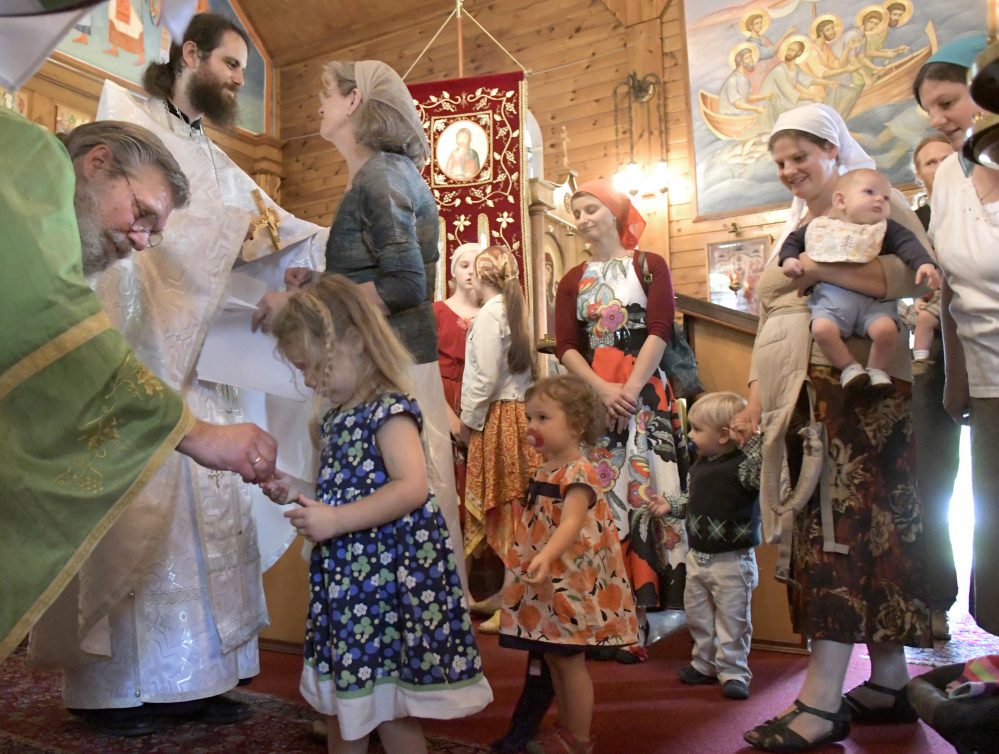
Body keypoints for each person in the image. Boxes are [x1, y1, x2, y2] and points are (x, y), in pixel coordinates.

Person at [29, 13, 328, 737]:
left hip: (209, 354)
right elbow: (136, 244)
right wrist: (236, 237)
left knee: (212, 515)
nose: (234, 80)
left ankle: (202, 673)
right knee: (146, 505)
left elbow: (237, 223)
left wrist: (282, 243)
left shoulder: (209, 146)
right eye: (229, 65)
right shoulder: (127, 116)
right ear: (188, 54)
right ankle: (122, 685)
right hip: (149, 349)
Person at [0, 111, 276, 665]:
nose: (143, 242)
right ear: (98, 162)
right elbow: (50, 318)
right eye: (143, 213)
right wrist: (196, 434)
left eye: (155, 229)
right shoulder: (28, 160)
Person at [733, 103, 932, 752]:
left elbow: (904, 277)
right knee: (848, 533)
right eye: (781, 162)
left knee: (842, 536)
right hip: (807, 395)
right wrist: (758, 391)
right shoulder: (802, 221)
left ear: (832, 151)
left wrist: (819, 273)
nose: (790, 170)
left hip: (860, 396)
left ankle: (820, 702)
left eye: (802, 157)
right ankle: (888, 681)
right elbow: (772, 313)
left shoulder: (873, 198)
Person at [254, 60, 467, 596]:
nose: (318, 105)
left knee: (408, 488)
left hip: (393, 364)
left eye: (326, 93)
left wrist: (302, 300)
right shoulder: (378, 174)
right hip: (384, 359)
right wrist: (322, 279)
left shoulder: (382, 175)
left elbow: (404, 286)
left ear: (354, 101)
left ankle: (417, 610)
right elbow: (377, 276)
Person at [260, 274, 492, 754]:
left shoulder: (388, 409)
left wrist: (336, 521)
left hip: (385, 586)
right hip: (351, 583)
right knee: (349, 708)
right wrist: (296, 490)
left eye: (311, 366)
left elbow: (411, 487)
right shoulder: (335, 416)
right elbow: (340, 491)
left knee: (388, 709)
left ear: (355, 341)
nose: (307, 380)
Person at [555, 178, 689, 663]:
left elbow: (660, 329)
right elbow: (566, 345)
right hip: (594, 399)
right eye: (577, 211)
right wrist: (603, 390)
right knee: (601, 501)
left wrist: (630, 390)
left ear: (615, 212)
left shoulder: (650, 265)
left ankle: (648, 614)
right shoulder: (571, 278)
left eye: (592, 208)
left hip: (645, 396)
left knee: (646, 492)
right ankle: (603, 616)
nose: (583, 217)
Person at [498, 375, 639, 754]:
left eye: (543, 418)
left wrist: (544, 554)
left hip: (570, 579)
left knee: (570, 659)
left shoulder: (577, 471)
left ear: (576, 425)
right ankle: (565, 727)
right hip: (549, 578)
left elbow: (572, 522)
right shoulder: (546, 468)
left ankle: (579, 740)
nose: (532, 427)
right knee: (554, 656)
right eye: (530, 418)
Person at [915, 35, 999, 637]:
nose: (940, 119)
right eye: (931, 110)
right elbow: (944, 276)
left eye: (949, 102)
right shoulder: (946, 177)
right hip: (986, 371)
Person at [778, 168, 941, 393]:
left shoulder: (887, 229)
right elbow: (792, 242)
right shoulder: (822, 227)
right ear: (841, 201)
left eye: (885, 198)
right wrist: (788, 260)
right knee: (822, 329)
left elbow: (909, 245)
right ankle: (849, 368)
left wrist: (923, 263)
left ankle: (877, 370)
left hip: (874, 303)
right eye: (869, 192)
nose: (879, 199)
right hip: (832, 300)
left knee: (886, 331)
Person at [649, 391, 762, 702]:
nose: (689, 434)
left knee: (733, 619)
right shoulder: (700, 466)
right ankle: (704, 662)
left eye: (697, 429)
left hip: (731, 560)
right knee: (698, 614)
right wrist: (670, 505)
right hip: (697, 556)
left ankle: (734, 671)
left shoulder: (742, 466)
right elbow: (694, 500)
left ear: (724, 435)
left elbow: (763, 473)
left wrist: (752, 440)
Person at [458, 246, 540, 634]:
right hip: (515, 413)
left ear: (480, 277)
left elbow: (485, 377)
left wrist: (467, 421)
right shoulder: (507, 309)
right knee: (514, 508)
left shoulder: (491, 314)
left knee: (507, 508)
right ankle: (508, 592)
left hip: (498, 416)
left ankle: (511, 602)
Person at [906, 132, 960, 641]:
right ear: (919, 174)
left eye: (947, 158)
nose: (939, 167)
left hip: (978, 351)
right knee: (931, 485)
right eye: (929, 162)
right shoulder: (912, 228)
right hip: (928, 363)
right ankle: (934, 600)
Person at [433, 242, 483, 504]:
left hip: (476, 395)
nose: (471, 272)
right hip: (440, 396)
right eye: (464, 266)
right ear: (453, 271)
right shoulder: (437, 312)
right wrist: (451, 419)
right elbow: (424, 368)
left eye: (477, 267)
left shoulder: (491, 314)